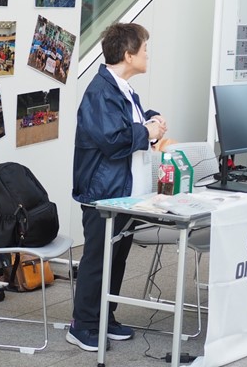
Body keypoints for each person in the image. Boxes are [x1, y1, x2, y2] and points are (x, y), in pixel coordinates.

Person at [69, 23, 167, 351]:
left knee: (117, 258)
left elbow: (128, 121)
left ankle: (104, 316)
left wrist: (151, 118)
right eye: (144, 49)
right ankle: (82, 325)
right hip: (104, 194)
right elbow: (112, 140)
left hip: (124, 193)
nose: (148, 55)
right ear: (128, 55)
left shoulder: (122, 88)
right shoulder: (100, 92)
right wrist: (148, 132)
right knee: (98, 260)